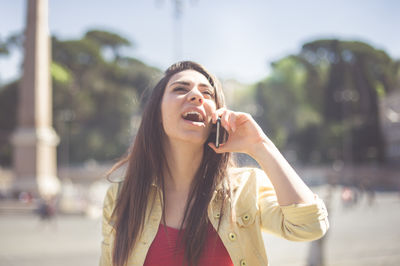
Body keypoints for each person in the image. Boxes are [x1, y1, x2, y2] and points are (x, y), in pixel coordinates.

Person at [100, 61, 329, 266]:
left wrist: (260, 145)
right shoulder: (121, 197)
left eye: (207, 93)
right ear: (157, 114)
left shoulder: (246, 187)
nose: (196, 96)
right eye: (180, 88)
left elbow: (310, 225)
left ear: (216, 117)